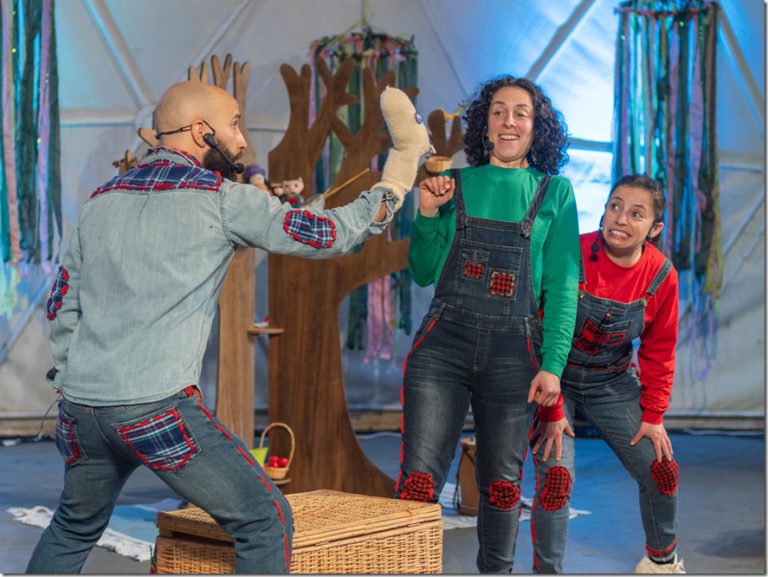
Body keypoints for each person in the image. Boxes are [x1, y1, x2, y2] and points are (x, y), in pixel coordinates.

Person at [28, 81, 431, 574]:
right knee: (265, 520)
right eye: (235, 125)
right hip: (155, 409)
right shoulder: (221, 198)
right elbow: (331, 235)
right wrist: (399, 173)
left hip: (82, 410)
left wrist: (70, 380)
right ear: (201, 131)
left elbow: (62, 303)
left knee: (73, 526)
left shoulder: (101, 199)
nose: (242, 141)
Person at [396, 74, 580, 573]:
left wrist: (553, 366)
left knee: (501, 485)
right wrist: (427, 215)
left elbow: (563, 287)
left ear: (537, 127)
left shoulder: (555, 192)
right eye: (498, 111)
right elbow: (422, 272)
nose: (508, 121)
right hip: (443, 348)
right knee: (418, 480)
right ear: (485, 124)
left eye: (521, 113)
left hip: (515, 355)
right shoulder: (453, 185)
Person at [530, 174, 684, 574]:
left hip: (611, 381)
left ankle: (661, 562)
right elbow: (536, 330)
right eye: (615, 206)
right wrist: (551, 409)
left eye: (636, 213)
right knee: (557, 480)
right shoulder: (571, 253)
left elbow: (659, 349)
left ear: (654, 229)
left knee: (661, 469)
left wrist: (654, 415)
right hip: (554, 377)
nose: (620, 218)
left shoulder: (661, 276)